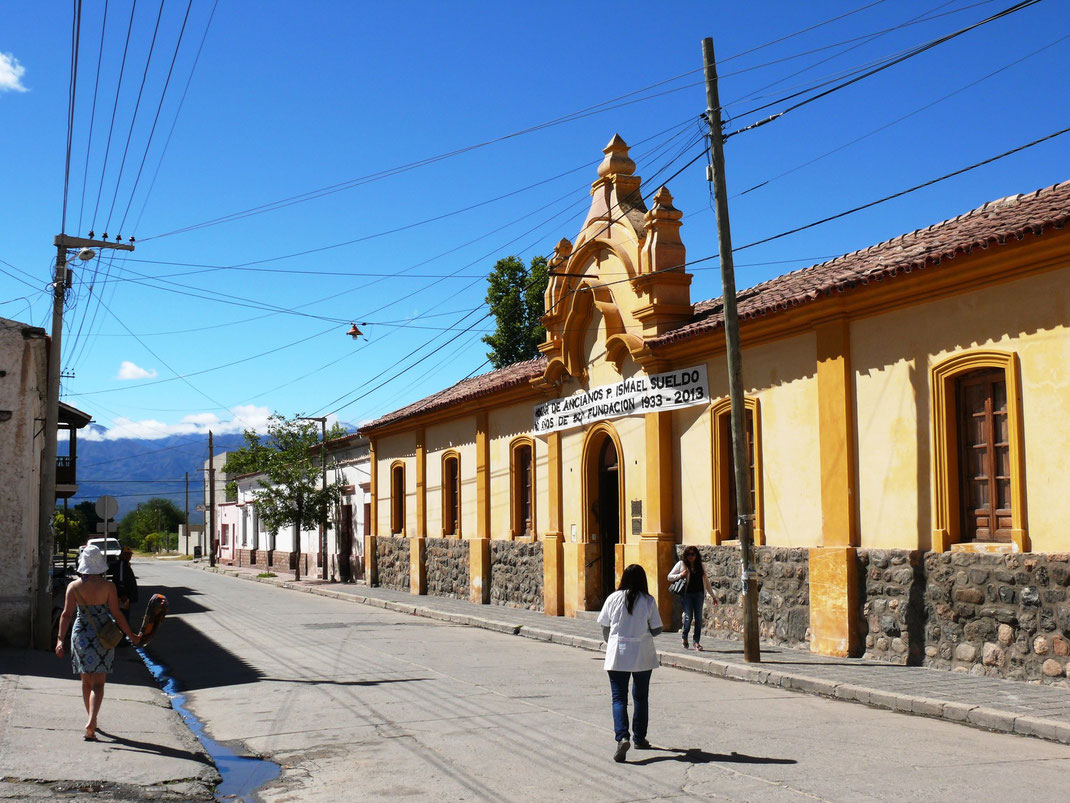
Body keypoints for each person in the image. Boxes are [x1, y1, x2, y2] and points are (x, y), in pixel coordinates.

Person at [55, 545, 141, 740]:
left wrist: (60, 640)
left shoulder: (74, 587)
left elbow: (66, 614)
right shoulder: (108, 587)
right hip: (103, 635)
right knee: (99, 684)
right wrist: (132, 635)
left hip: (81, 635)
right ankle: (92, 720)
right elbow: (117, 615)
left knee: (86, 682)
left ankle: (90, 719)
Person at [597, 564, 663, 763]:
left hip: (618, 653)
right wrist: (644, 632)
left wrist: (614, 642)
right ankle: (640, 738)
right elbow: (658, 629)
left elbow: (605, 627)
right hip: (642, 652)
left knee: (619, 698)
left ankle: (622, 736)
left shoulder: (613, 598)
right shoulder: (648, 601)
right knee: (641, 697)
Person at [668, 545, 718, 651]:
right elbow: (669, 577)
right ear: (685, 556)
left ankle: (696, 642)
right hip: (687, 595)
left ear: (696, 555)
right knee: (688, 617)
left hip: (699, 594)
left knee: (699, 619)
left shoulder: (700, 566)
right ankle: (684, 636)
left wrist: (713, 596)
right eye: (688, 554)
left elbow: (706, 582)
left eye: (693, 554)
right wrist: (681, 575)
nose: (691, 557)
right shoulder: (681, 564)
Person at [110, 546, 139, 624]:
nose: (129, 556)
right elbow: (120, 580)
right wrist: (123, 594)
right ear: (122, 555)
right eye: (127, 554)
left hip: (127, 597)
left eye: (130, 554)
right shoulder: (122, 564)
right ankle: (122, 634)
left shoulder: (126, 564)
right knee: (123, 617)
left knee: (125, 616)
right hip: (123, 597)